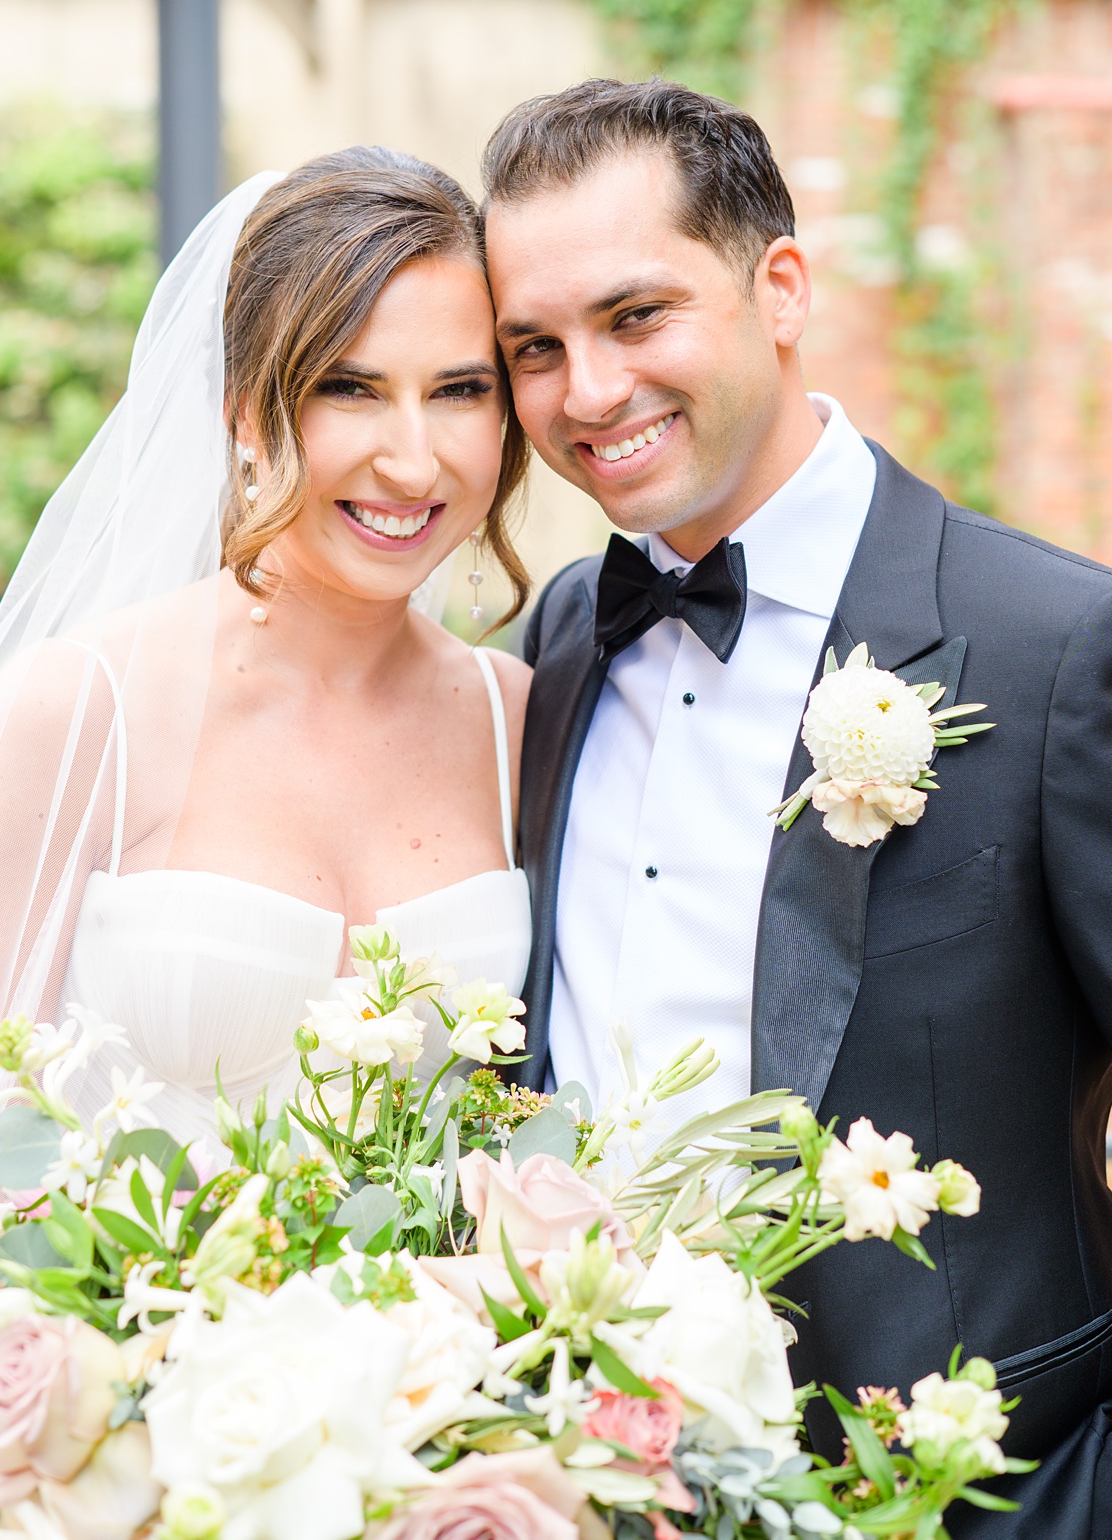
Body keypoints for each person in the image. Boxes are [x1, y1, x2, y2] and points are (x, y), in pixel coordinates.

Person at [490, 77, 1112, 1530]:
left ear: (779, 288)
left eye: (637, 317)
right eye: (535, 347)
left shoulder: (1058, 648)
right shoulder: (563, 638)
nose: (586, 392)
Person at [0, 146, 536, 1146]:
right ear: (246, 412)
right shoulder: (79, 713)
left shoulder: (515, 721)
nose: (414, 459)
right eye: (351, 388)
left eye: (461, 390)